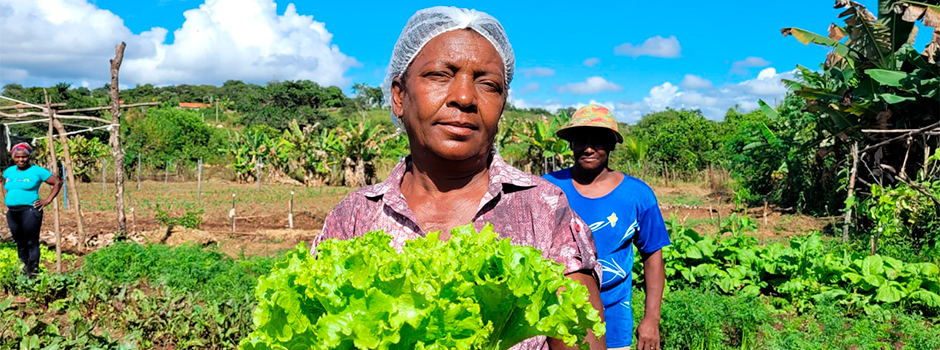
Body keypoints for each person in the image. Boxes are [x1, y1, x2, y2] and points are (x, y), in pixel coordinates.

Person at [315, 7, 605, 350]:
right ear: (398, 96)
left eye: (488, 84)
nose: (464, 97)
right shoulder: (353, 216)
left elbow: (579, 336)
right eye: (440, 75)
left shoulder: (543, 209)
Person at [544, 104, 671, 350]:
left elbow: (653, 257)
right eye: (581, 140)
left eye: (598, 141)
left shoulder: (637, 195)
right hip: (553, 318)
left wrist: (651, 320)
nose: (588, 148)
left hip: (613, 321)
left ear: (612, 145)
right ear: (571, 144)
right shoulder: (548, 188)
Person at [1, 142, 62, 278]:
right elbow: (4, 184)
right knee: (19, 241)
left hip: (30, 211)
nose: (21, 160)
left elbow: (57, 182)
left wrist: (47, 200)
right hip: (13, 212)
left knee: (31, 241)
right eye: (17, 157)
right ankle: (23, 269)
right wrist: (7, 199)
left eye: (24, 157)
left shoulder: (38, 171)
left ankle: (33, 272)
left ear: (29, 157)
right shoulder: (9, 171)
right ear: (13, 157)